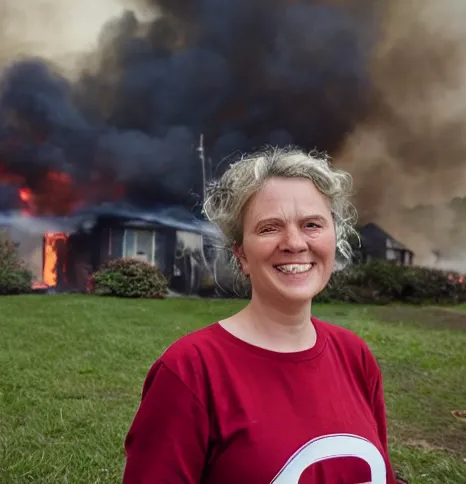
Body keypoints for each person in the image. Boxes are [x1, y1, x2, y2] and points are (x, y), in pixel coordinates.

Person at [123, 147, 406, 484]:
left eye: (312, 224)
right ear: (241, 254)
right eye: (270, 228)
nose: (294, 242)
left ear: (335, 238)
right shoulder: (190, 371)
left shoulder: (355, 357)